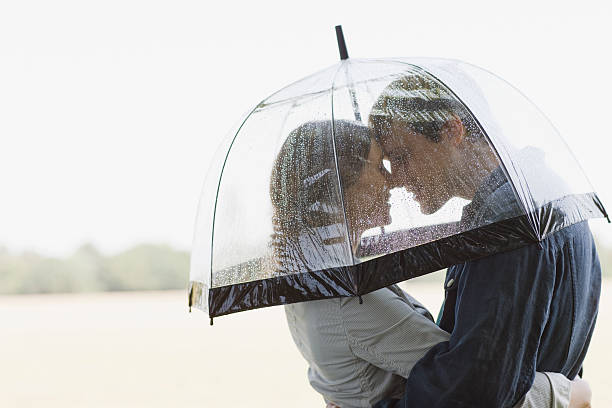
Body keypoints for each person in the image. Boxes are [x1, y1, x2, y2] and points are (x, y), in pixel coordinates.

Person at [270, 120, 590, 408]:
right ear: (342, 186)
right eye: (379, 165)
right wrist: (566, 393)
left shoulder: (309, 278)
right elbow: (466, 379)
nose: (392, 179)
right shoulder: (348, 297)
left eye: (398, 159)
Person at [368, 72, 601, 407]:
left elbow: (474, 389)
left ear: (452, 131)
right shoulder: (542, 193)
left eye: (402, 156)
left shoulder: (510, 218)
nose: (397, 180)